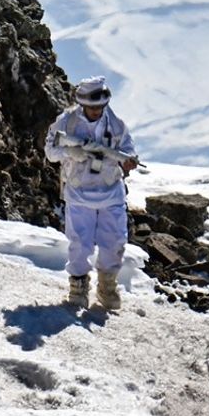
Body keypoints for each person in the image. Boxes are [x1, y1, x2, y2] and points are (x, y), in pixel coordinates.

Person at [44, 76, 139, 310]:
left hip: (111, 191)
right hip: (79, 191)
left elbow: (127, 150)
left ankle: (107, 285)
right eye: (92, 107)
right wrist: (70, 153)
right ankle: (78, 286)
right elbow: (50, 151)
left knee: (114, 240)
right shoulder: (66, 122)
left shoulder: (116, 125)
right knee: (79, 241)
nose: (97, 111)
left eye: (100, 107)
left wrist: (128, 162)